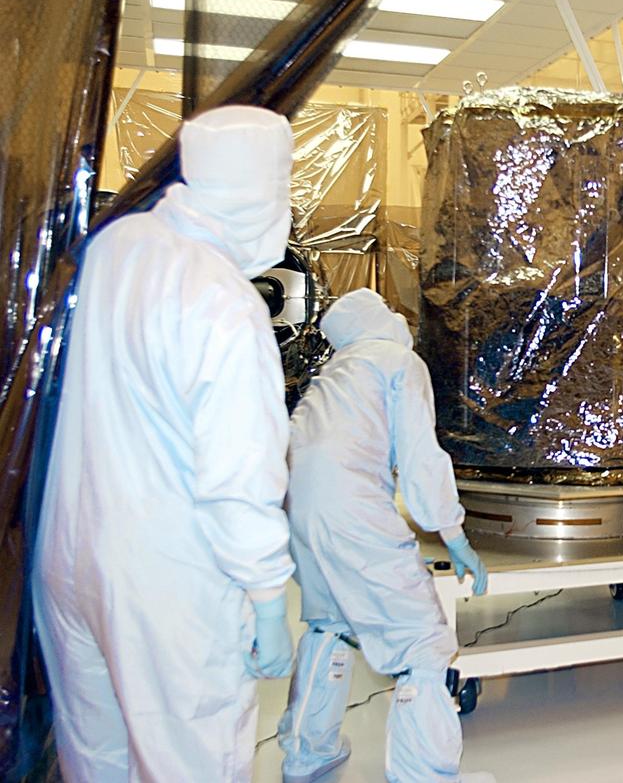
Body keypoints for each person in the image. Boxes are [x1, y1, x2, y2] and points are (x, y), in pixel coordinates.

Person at [32, 106, 298, 781]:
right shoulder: (223, 302)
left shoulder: (118, 246)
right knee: (189, 762)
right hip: (165, 583)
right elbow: (237, 476)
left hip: (71, 553)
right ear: (263, 189)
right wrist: (269, 595)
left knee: (95, 759)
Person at [277, 288, 490, 783]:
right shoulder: (397, 361)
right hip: (353, 511)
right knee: (421, 642)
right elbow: (420, 461)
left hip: (298, 511)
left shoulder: (333, 373)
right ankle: (426, 775)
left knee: (328, 624)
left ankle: (307, 755)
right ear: (382, 319)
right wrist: (455, 536)